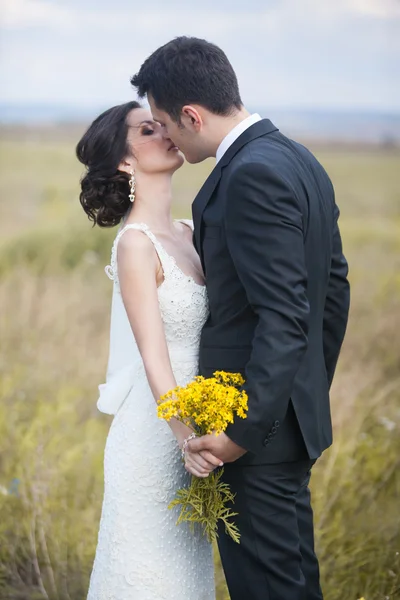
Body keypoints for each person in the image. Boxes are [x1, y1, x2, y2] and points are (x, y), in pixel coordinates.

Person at [131, 36, 350, 600]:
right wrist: (305, 392)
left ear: (191, 114)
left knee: (269, 589)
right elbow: (334, 293)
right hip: (288, 422)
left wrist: (243, 432)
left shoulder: (251, 173)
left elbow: (284, 313)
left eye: (165, 123)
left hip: (254, 432)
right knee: (293, 579)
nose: (169, 138)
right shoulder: (300, 159)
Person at [76, 101, 216, 600]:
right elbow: (154, 357)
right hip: (157, 435)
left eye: (164, 124)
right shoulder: (135, 245)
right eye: (148, 129)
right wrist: (186, 439)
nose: (167, 133)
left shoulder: (190, 233)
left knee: (186, 574)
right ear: (124, 160)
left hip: (199, 425)